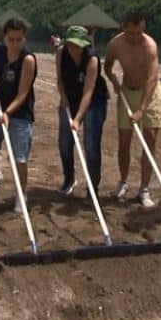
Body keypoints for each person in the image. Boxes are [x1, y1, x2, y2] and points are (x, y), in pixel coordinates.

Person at [104, 11, 161, 208]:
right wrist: (113, 79)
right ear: (123, 28)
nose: (136, 37)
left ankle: (144, 189)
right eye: (131, 33)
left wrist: (141, 109)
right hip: (127, 91)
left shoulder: (150, 46)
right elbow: (108, 67)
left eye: (139, 33)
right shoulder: (115, 44)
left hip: (151, 92)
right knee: (124, 140)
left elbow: (152, 79)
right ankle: (123, 181)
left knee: (150, 138)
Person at [0, 18, 37, 213]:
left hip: (20, 115)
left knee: (19, 159)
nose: (14, 43)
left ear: (24, 38)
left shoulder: (28, 60)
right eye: (11, 39)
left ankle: (21, 194)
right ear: (4, 37)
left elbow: (23, 93)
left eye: (18, 39)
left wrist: (8, 113)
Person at [55, 25, 109, 197]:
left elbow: (88, 92)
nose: (74, 49)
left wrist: (78, 119)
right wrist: (63, 97)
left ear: (85, 44)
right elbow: (59, 79)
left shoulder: (92, 59)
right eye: (70, 44)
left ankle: (92, 188)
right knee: (65, 141)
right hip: (70, 97)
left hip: (94, 100)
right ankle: (69, 178)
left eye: (77, 45)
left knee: (91, 144)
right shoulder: (61, 53)